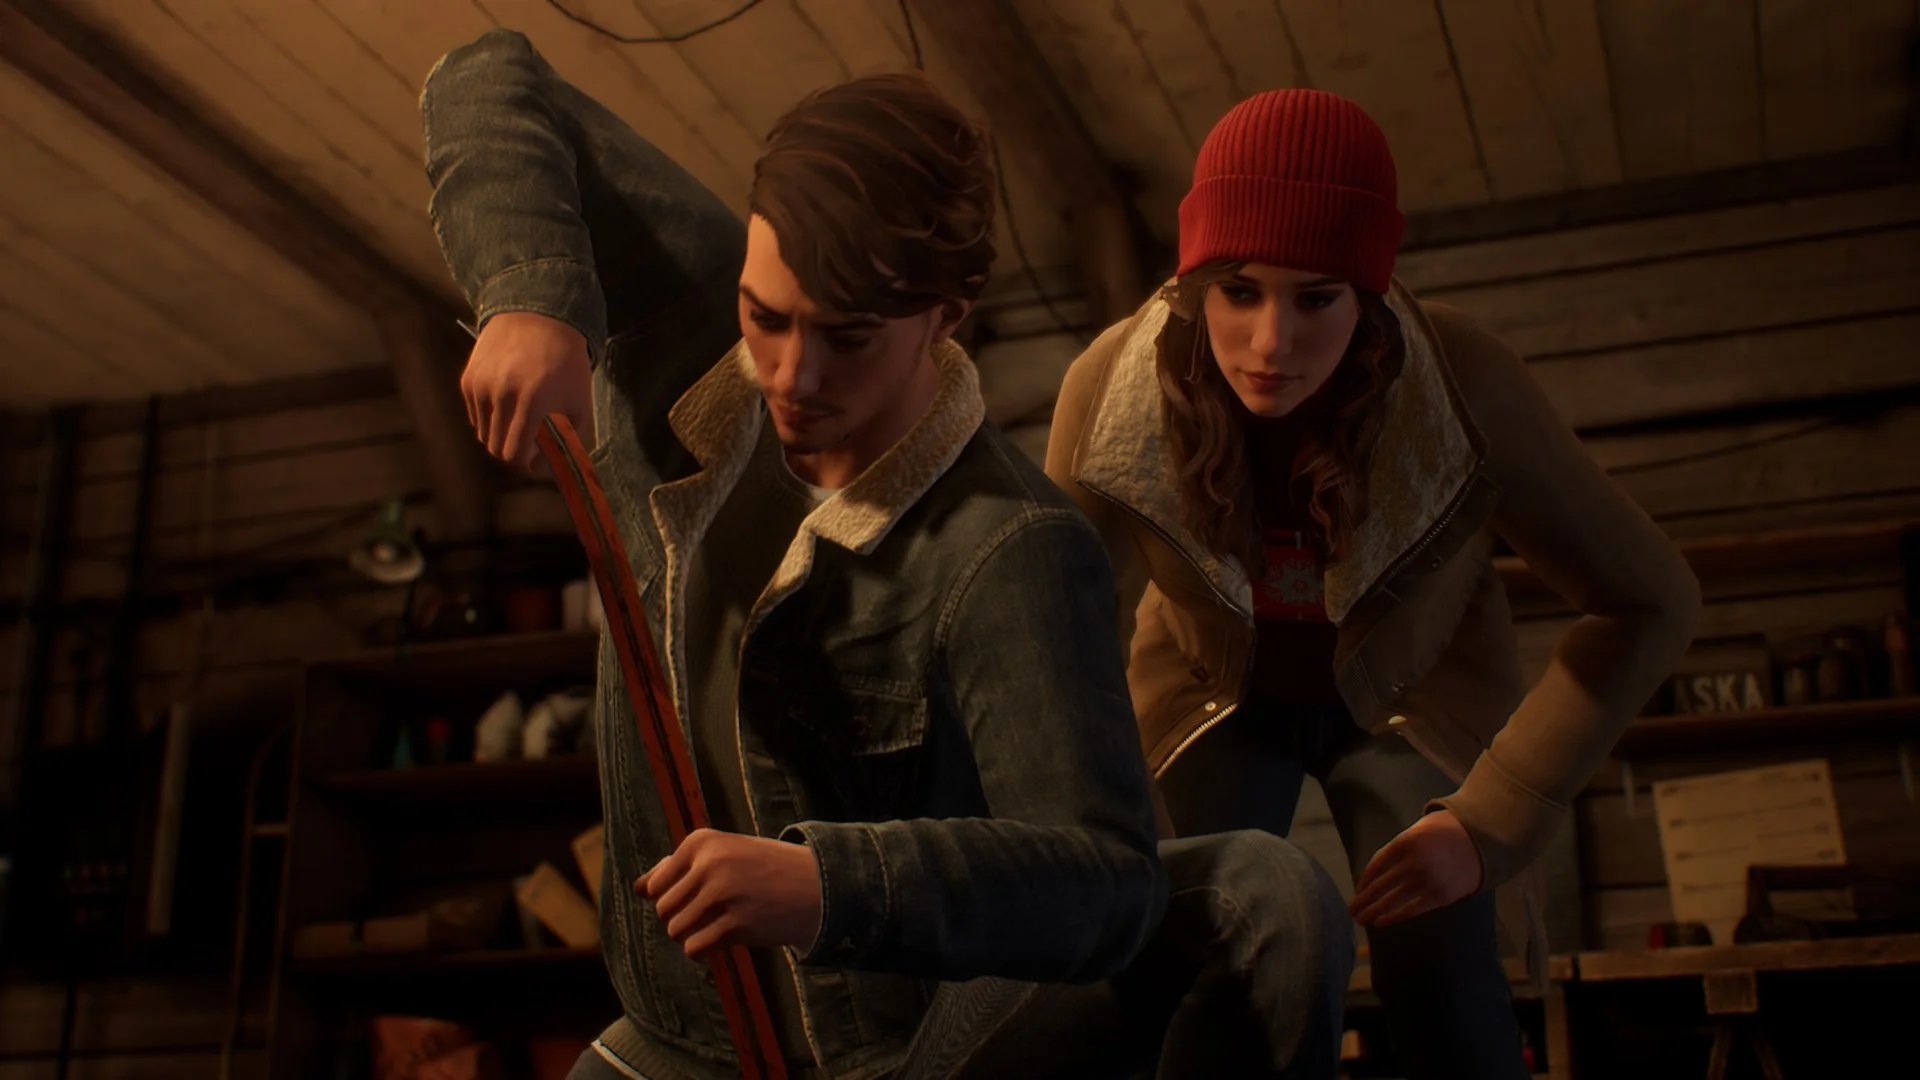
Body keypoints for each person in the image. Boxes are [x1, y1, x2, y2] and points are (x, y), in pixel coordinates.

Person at [421, 30, 1351, 1080]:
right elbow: (486, 75)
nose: (790, 374)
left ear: (947, 317)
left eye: (848, 337)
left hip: (900, 1053)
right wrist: (528, 297)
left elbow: (1106, 884)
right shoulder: (691, 332)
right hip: (680, 1039)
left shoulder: (1013, 547)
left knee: (1267, 892)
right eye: (765, 318)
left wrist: (835, 887)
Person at [1045, 90, 1703, 1079]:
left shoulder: (1462, 383)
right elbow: (1050, 626)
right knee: (1179, 947)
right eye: (1238, 291)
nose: (1272, 342)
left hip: (1412, 692)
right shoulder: (1112, 389)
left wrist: (1490, 821)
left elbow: (1652, 600)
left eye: (1317, 298)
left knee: (1443, 967)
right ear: (1192, 286)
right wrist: (1111, 808)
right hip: (1205, 691)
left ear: (1371, 292)